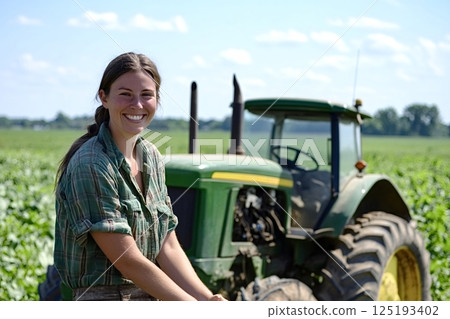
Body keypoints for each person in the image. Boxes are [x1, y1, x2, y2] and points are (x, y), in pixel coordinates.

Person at [53, 52, 226, 301]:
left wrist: (207, 299)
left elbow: (168, 244)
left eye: (146, 95)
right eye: (125, 94)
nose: (137, 104)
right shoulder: (92, 164)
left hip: (150, 296)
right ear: (104, 97)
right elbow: (128, 261)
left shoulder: (152, 157)